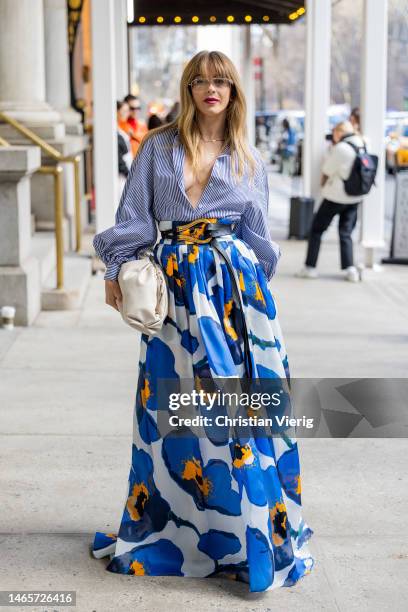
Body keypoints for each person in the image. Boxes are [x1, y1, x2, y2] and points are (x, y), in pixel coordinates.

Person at [92, 50, 314, 593]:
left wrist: (257, 311)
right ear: (188, 89)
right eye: (200, 81)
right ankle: (176, 530)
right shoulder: (158, 147)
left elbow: (259, 241)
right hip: (174, 302)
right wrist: (117, 268)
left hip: (236, 301)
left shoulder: (248, 158)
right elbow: (133, 219)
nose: (211, 89)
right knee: (169, 409)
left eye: (221, 81)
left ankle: (249, 531)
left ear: (234, 91)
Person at [296, 120, 365, 282]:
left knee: (317, 230)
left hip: (336, 196)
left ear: (339, 132)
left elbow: (327, 169)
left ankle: (310, 268)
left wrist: (331, 151)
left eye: (334, 132)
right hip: (355, 197)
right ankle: (350, 270)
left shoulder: (341, 148)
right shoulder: (361, 143)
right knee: (346, 232)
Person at [116, 100, 132, 199]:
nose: (127, 113)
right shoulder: (115, 132)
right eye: (124, 111)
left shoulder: (120, 129)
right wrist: (129, 175)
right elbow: (119, 159)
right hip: (120, 179)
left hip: (125, 176)